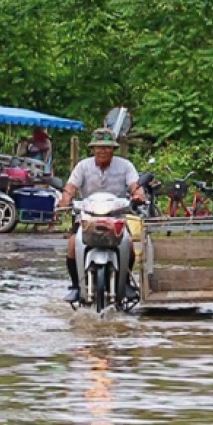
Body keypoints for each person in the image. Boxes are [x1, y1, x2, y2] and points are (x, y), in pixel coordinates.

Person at [57, 128, 147, 301]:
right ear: (93, 149)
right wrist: (65, 199)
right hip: (87, 217)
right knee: (71, 245)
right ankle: (76, 285)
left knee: (128, 244)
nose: (102, 151)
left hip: (116, 217)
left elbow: (135, 186)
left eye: (106, 147)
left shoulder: (125, 166)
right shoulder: (83, 166)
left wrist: (138, 195)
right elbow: (70, 187)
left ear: (113, 149)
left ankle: (125, 283)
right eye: (98, 147)